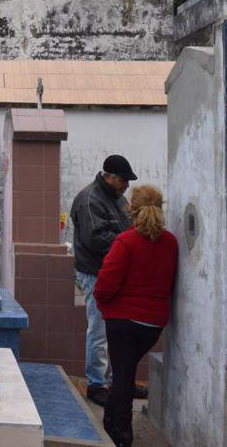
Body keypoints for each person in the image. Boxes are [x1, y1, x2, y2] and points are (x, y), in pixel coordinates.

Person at [94, 185, 178, 447]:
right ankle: (110, 422)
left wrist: (103, 303)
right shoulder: (171, 242)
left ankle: (122, 432)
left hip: (123, 320)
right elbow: (170, 283)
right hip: (153, 324)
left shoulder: (126, 241)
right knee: (125, 371)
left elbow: (106, 283)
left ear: (131, 209)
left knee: (122, 375)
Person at [69, 154, 136, 406]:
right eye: (124, 181)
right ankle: (96, 384)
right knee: (98, 330)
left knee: (116, 330)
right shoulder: (90, 199)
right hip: (95, 272)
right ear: (110, 177)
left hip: (114, 272)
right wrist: (128, 247)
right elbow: (95, 240)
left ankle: (118, 383)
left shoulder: (117, 199)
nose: (127, 186)